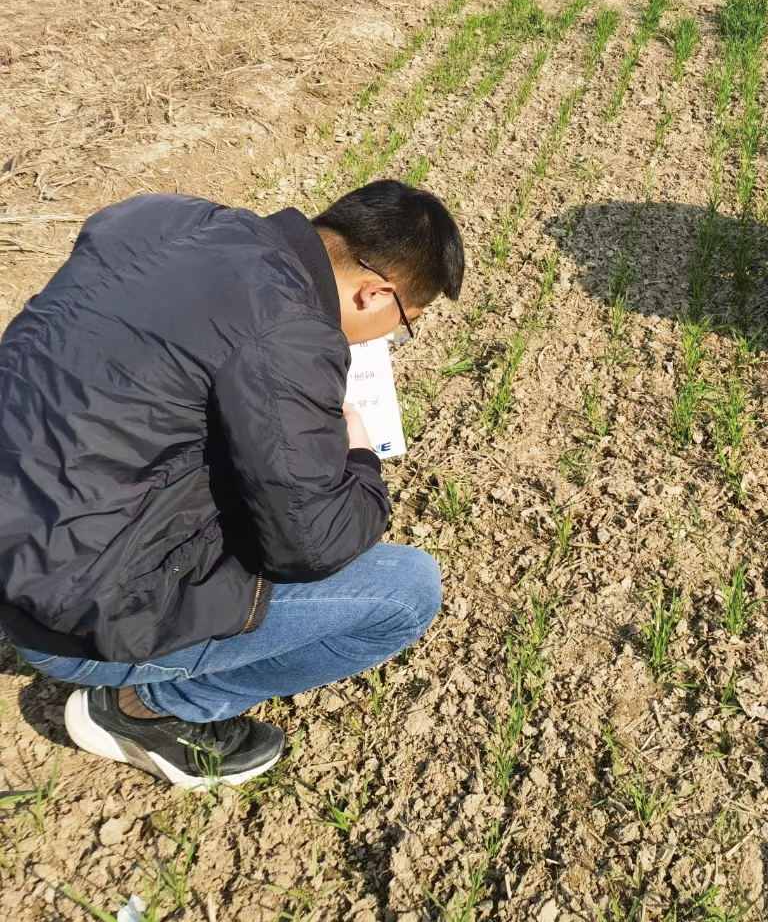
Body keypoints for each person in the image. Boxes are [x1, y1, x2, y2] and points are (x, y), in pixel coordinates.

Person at [0, 180, 464, 787]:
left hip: (24, 533)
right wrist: (357, 458)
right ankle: (151, 711)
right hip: (69, 621)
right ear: (374, 293)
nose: (389, 338)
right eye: (404, 322)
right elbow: (315, 545)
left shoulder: (160, 218)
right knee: (405, 592)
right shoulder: (290, 329)